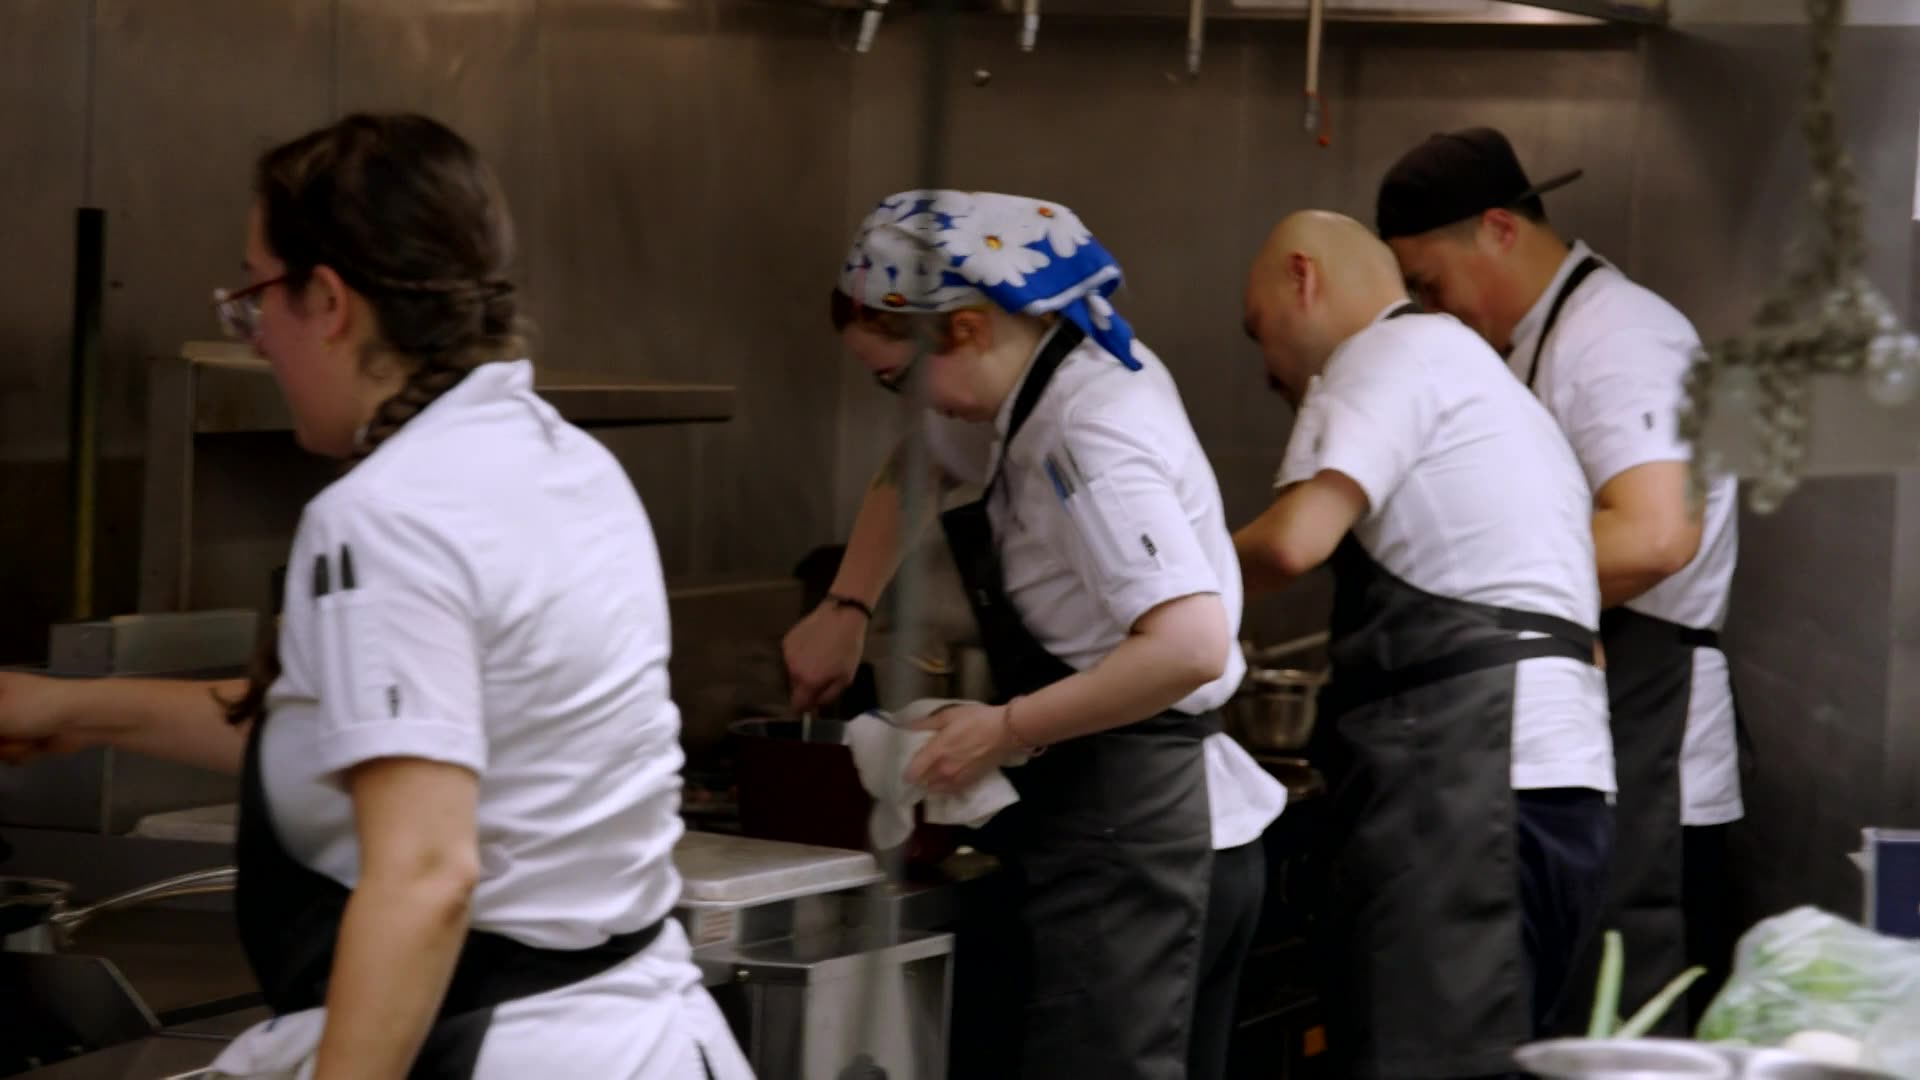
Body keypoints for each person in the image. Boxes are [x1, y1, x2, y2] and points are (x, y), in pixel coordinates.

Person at [0, 114, 750, 1079]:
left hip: (508, 1047)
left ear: (328, 300)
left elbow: (424, 875)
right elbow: (359, 732)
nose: (257, 340)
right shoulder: (563, 460)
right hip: (642, 1037)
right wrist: (66, 708)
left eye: (255, 297)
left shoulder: (387, 513)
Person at [783, 189, 1285, 1080]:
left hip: (1138, 833)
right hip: (1127, 820)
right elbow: (921, 461)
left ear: (969, 328)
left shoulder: (1090, 430)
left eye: (895, 378)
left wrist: (1004, 728)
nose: (903, 402)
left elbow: (1190, 645)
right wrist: (844, 607)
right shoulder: (1040, 377)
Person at [1233, 210, 1616, 1079]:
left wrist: (1166, 588)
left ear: (1302, 278)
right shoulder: (1491, 387)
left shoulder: (1386, 355)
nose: (1265, 366)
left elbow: (1293, 542)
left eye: (1259, 330)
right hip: (1560, 792)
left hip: (1467, 793)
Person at [1376, 126, 1744, 1027]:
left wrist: (1461, 603)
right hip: (1602, 732)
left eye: (1432, 284)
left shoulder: (1621, 338)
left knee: (1629, 1035)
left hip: (1654, 740)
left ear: (1499, 229)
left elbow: (1656, 534)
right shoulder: (1535, 342)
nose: (1434, 311)